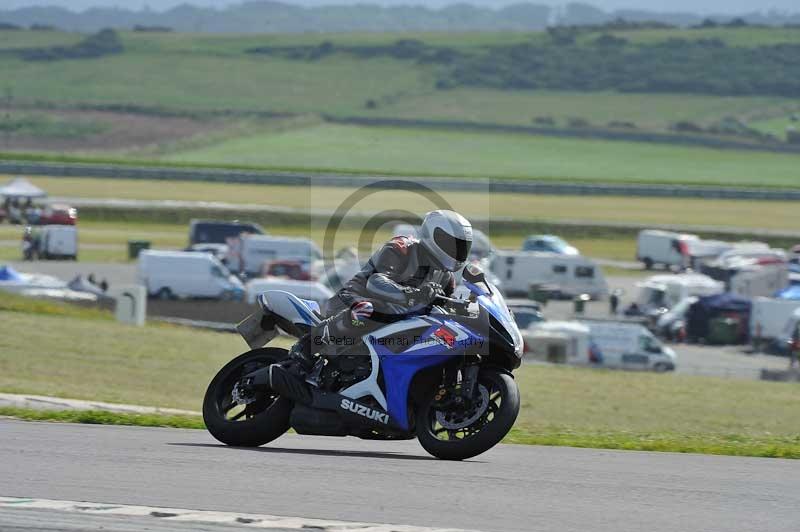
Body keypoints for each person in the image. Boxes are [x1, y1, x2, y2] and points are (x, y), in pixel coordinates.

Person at [288, 210, 473, 371]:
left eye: (462, 246)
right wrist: (413, 294)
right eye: (453, 244)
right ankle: (308, 345)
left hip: (396, 320)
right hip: (352, 301)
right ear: (434, 235)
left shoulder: (445, 276)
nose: (457, 252)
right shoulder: (403, 248)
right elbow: (376, 282)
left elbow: (446, 306)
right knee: (370, 309)